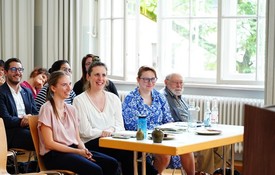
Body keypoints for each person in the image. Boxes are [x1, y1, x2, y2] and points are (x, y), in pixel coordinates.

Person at [73, 61, 158, 175]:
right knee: (129, 154)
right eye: (97, 75)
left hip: (113, 141)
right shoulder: (79, 100)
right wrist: (104, 132)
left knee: (136, 152)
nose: (100, 78)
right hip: (92, 143)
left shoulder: (113, 99)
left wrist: (111, 130)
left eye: (103, 75)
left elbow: (120, 126)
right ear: (88, 77)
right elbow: (84, 131)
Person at [38, 70, 119, 175]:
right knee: (95, 170)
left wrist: (84, 150)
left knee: (112, 163)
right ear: (53, 88)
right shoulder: (47, 108)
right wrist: (78, 152)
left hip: (73, 150)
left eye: (70, 84)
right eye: (64, 85)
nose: (69, 88)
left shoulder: (71, 109)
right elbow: (49, 144)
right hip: (55, 155)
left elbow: (77, 139)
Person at [122, 66, 195, 175]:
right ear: (138, 80)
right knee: (164, 155)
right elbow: (131, 125)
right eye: (146, 79)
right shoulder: (131, 98)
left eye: (153, 79)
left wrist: (168, 132)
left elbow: (168, 120)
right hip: (142, 138)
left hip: (162, 135)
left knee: (186, 149)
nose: (149, 82)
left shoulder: (159, 97)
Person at [160, 73, 227, 174]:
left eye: (181, 83)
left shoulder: (180, 97)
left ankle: (216, 172)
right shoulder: (162, 97)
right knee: (206, 145)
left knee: (223, 143)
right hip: (179, 132)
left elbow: (189, 117)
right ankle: (204, 172)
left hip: (191, 128)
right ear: (166, 82)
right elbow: (170, 121)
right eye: (175, 83)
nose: (179, 85)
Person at [0, 58, 38, 150]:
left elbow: (35, 113)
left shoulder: (27, 92)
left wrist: (30, 118)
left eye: (20, 69)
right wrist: (23, 120)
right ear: (5, 72)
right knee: (42, 139)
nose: (17, 72)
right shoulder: (1, 92)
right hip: (10, 133)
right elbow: (5, 120)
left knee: (52, 135)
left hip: (29, 129)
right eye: (13, 69)